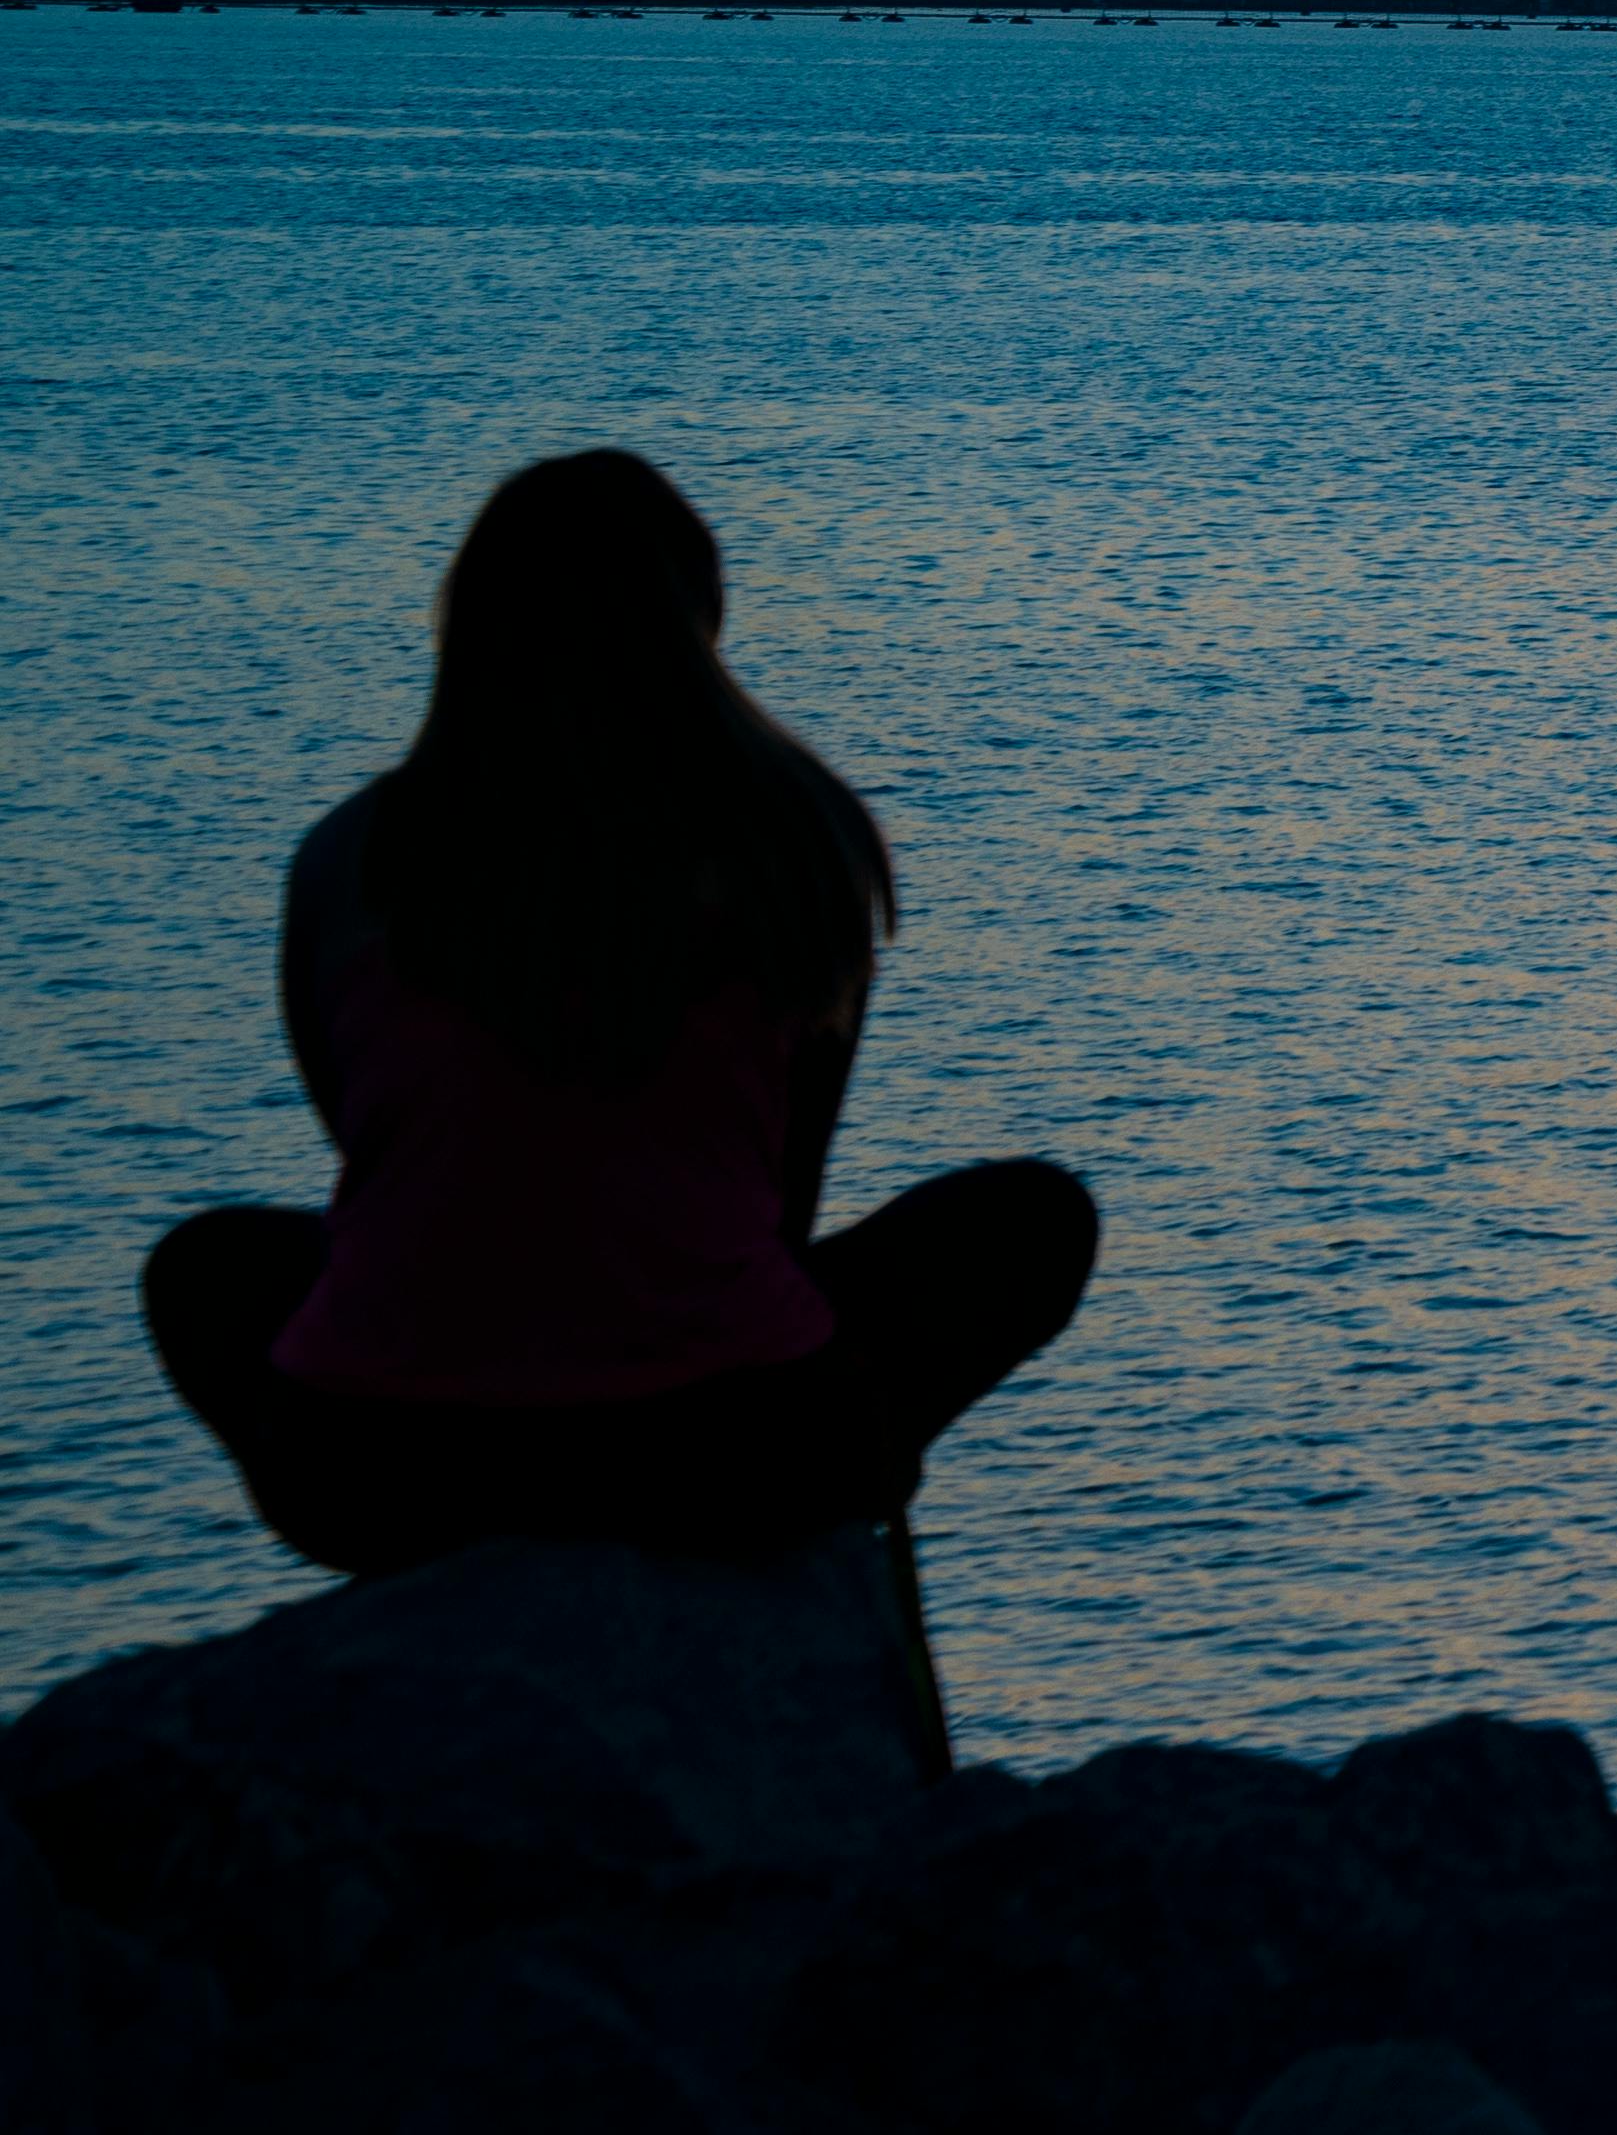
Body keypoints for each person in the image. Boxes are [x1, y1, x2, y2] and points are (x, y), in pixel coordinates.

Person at [140, 451, 1099, 1618]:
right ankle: (823, 1512)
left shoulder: (350, 856)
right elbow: (778, 1202)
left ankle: (455, 1565)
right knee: (1032, 1218)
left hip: (375, 1469)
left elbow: (373, 1158)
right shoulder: (801, 840)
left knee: (206, 1269)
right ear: (696, 619)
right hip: (723, 1456)